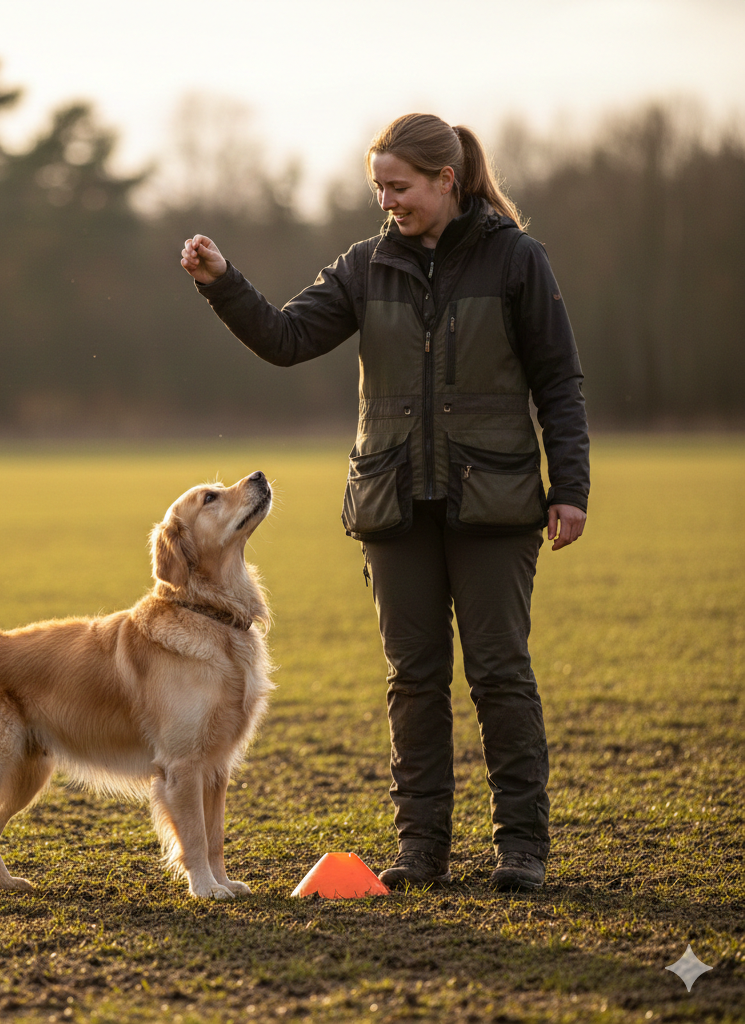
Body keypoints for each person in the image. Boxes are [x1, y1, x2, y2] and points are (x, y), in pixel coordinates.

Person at [180, 113, 588, 892]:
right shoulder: (366, 267)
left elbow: (559, 382)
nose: (387, 200)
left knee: (500, 673)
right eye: (379, 187)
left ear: (447, 180)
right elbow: (285, 338)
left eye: (399, 186)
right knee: (413, 677)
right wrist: (223, 284)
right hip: (392, 507)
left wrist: (569, 488)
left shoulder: (516, 261)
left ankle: (522, 849)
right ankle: (422, 850)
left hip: (494, 506)